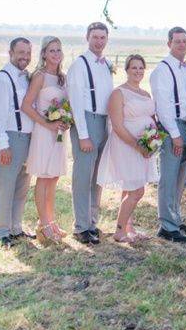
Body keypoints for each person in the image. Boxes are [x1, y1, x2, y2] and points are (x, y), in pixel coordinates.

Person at [97, 55, 159, 243]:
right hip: (126, 145)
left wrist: (153, 141)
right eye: (134, 68)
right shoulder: (119, 93)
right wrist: (136, 145)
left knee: (130, 188)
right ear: (126, 70)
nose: (138, 71)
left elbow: (152, 119)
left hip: (144, 146)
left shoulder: (146, 94)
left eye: (141, 68)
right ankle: (118, 231)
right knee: (136, 191)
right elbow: (117, 125)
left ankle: (128, 228)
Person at [67, 22, 114, 245]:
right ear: (87, 37)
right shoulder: (79, 64)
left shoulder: (105, 65)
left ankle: (92, 222)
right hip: (86, 122)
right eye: (95, 37)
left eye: (103, 37)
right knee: (83, 176)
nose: (99, 41)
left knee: (97, 177)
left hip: (104, 122)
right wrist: (84, 134)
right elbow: (76, 102)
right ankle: (81, 226)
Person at [150, 26, 186, 243]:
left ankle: (175, 219)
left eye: (185, 41)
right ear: (169, 43)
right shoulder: (163, 70)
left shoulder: (185, 69)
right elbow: (163, 105)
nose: (182, 45)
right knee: (168, 178)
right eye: (177, 41)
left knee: (180, 179)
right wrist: (174, 133)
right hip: (173, 129)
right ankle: (167, 226)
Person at [22, 36, 70, 245]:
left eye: (59, 50)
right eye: (52, 50)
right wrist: (47, 124)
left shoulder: (62, 78)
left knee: (54, 178)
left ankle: (51, 222)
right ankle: (43, 226)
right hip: (44, 132)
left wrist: (66, 120)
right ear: (44, 54)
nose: (56, 54)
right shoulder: (40, 76)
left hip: (59, 133)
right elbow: (26, 106)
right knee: (43, 177)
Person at [0, 37, 35, 248]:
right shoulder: (2, 79)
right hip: (9, 138)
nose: (25, 57)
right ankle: (0, 231)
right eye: (21, 52)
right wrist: (2, 144)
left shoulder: (26, 78)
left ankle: (16, 228)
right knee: (4, 187)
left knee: (21, 187)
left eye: (28, 53)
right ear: (11, 52)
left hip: (27, 138)